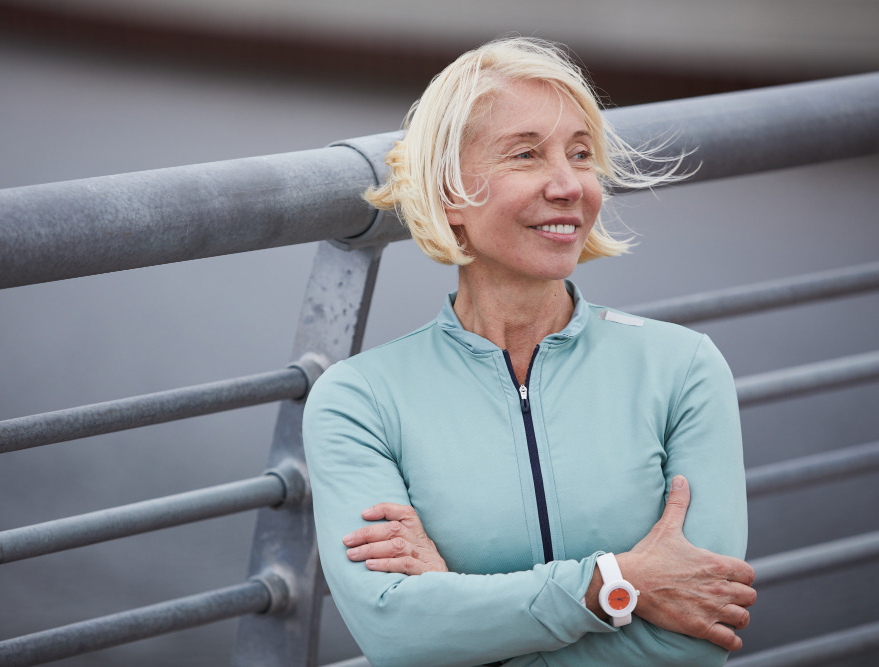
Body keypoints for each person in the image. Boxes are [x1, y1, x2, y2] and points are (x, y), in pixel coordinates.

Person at [303, 37, 755, 667]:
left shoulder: (682, 369)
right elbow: (398, 634)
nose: (569, 185)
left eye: (581, 154)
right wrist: (617, 585)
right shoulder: (360, 400)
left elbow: (696, 633)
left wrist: (458, 607)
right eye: (525, 154)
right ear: (449, 193)